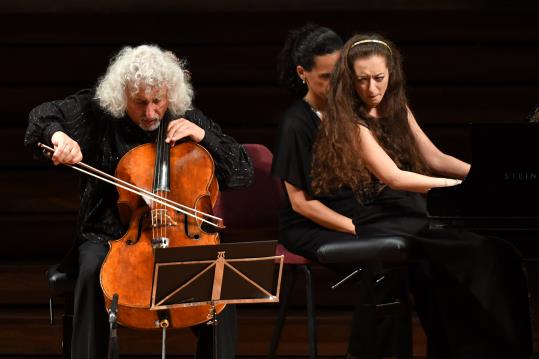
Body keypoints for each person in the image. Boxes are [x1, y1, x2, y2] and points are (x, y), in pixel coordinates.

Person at [311, 33, 533, 359]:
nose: (372, 88)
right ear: (349, 80)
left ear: (392, 75)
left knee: (494, 251)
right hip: (382, 217)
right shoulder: (349, 122)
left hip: (415, 210)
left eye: (379, 78)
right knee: (475, 251)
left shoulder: (397, 108)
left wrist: (486, 175)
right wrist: (460, 187)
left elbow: (435, 159)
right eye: (362, 80)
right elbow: (393, 177)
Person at [24, 44, 253, 359]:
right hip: (109, 233)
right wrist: (58, 137)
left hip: (179, 235)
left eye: (158, 101)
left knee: (220, 282)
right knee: (92, 272)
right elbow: (42, 116)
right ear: (122, 96)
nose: (150, 113)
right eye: (140, 103)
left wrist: (203, 136)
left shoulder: (185, 116)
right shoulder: (99, 112)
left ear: (169, 94)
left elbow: (242, 170)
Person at [271, 24, 410, 359]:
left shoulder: (349, 113)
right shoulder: (296, 123)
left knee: (404, 262)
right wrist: (360, 230)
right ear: (302, 73)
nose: (336, 86)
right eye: (326, 77)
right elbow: (301, 204)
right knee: (378, 264)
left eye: (340, 76)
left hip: (351, 215)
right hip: (309, 224)